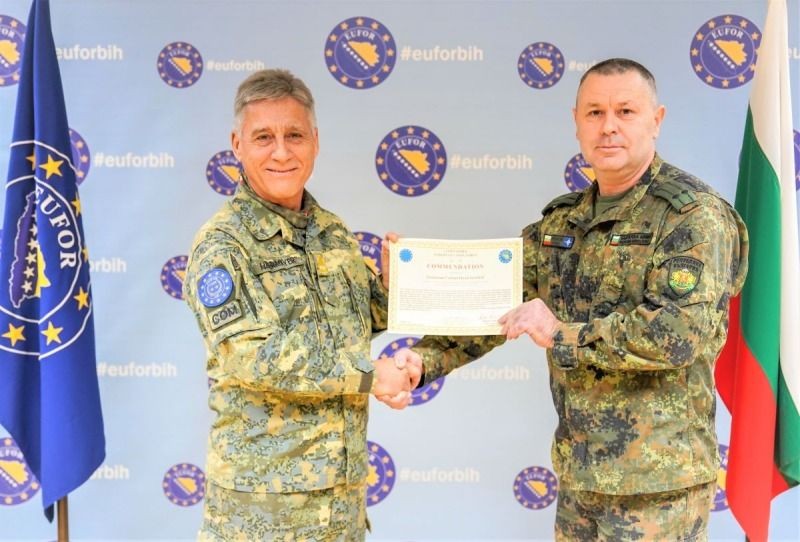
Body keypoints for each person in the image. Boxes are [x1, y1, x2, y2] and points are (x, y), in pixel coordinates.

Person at [393, 58, 748, 541]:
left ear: (656, 120)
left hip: (657, 487)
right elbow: (494, 298)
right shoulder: (563, 222)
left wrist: (562, 333)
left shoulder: (692, 216)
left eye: (625, 111)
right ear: (576, 122)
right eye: (594, 112)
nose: (608, 126)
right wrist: (422, 350)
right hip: (581, 476)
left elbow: (678, 334)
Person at [183, 68, 419, 541]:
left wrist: (393, 290)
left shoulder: (331, 231)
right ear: (237, 145)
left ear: (315, 141)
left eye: (294, 135)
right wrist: (371, 375)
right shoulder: (223, 245)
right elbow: (255, 357)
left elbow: (355, 321)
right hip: (263, 517)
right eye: (263, 137)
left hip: (340, 508)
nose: (281, 152)